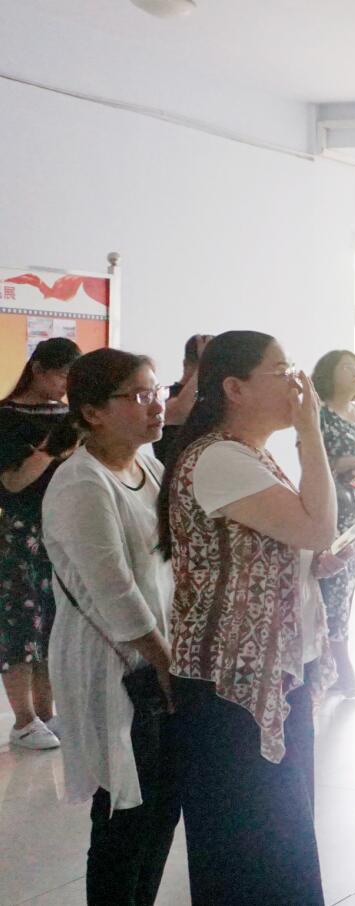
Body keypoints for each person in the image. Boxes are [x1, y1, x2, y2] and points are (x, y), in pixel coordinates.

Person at [158, 330, 338, 906]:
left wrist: (310, 560)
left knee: (277, 841)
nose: (297, 384)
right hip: (230, 680)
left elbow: (294, 539)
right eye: (281, 371)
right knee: (252, 850)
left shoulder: (248, 453)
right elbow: (318, 526)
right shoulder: (218, 457)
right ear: (234, 388)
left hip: (269, 669)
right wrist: (312, 432)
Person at [43, 348, 181, 906]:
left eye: (157, 392)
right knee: (124, 812)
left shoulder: (149, 467)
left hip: (158, 655)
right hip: (113, 664)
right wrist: (166, 665)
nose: (157, 406)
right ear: (93, 412)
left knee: (161, 805)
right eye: (139, 395)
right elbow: (114, 592)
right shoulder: (81, 482)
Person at [1, 336, 81, 750]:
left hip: (61, 531)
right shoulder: (7, 417)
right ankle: (23, 719)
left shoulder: (68, 415)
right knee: (20, 625)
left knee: (53, 626)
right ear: (38, 370)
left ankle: (47, 715)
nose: (66, 386)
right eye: (62, 375)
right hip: (21, 532)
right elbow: (13, 483)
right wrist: (51, 450)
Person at [312, 349, 355, 697]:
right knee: (330, 589)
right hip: (329, 511)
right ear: (329, 373)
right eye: (347, 367)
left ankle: (331, 664)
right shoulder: (320, 414)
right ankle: (337, 664)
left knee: (346, 589)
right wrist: (344, 462)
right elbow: (312, 461)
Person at [152, 333, 210, 469]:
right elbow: (179, 412)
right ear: (185, 364)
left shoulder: (212, 397)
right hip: (174, 476)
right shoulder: (163, 395)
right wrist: (204, 364)